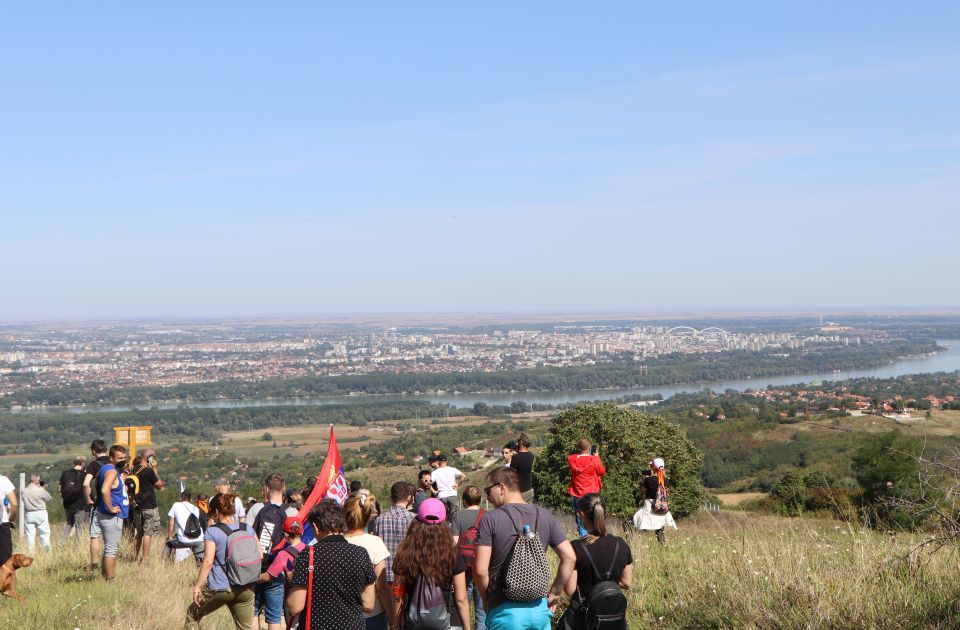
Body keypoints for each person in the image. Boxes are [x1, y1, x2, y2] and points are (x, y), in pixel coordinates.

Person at [474, 466, 576, 630]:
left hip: (505, 613)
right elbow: (570, 557)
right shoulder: (545, 515)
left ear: (501, 487)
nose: (487, 496)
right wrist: (555, 593)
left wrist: (487, 600)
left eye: (488, 490)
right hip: (540, 610)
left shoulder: (490, 518)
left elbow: (480, 570)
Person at [286, 500, 376, 630]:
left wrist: (292, 583)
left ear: (316, 527)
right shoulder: (361, 553)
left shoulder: (308, 555)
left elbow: (295, 607)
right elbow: (369, 604)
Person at [392, 498, 471, 630]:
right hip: (449, 621)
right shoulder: (451, 553)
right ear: (444, 523)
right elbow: (461, 598)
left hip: (413, 621)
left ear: (417, 522)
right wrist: (468, 627)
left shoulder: (405, 553)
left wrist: (396, 625)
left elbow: (398, 594)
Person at [185, 492, 260, 630]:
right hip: (246, 587)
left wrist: (198, 586)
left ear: (217, 512)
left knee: (192, 615)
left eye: (212, 513)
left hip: (222, 587)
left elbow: (208, 561)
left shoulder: (212, 532)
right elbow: (259, 555)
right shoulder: (248, 528)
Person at [558, 493, 632, 630]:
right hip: (613, 617)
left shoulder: (575, 547)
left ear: (582, 515)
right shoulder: (621, 544)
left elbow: (570, 589)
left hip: (583, 617)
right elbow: (627, 582)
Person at [250, 474, 298, 630]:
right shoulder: (292, 512)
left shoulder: (257, 508)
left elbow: (248, 535)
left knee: (253, 613)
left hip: (255, 568)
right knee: (275, 616)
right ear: (283, 489)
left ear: (266, 489)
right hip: (278, 569)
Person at [344, 491, 392, 630]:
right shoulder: (375, 542)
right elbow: (381, 587)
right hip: (373, 615)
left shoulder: (337, 543)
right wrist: (393, 616)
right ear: (367, 517)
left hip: (344, 615)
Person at [257, 516, 306, 629]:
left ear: (285, 535)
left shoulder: (284, 554)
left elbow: (268, 576)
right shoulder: (310, 550)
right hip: (310, 597)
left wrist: (251, 578)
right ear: (302, 532)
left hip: (293, 596)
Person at [371, 482, 416, 599]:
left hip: (386, 576)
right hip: (408, 575)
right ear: (410, 498)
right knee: (403, 609)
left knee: (390, 610)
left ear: (391, 499)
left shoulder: (380, 520)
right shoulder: (414, 520)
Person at [451, 485, 486, 630]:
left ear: (464, 500)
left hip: (462, 565)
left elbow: (454, 542)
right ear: (481, 500)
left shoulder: (458, 515)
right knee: (481, 606)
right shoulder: (487, 515)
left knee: (463, 599)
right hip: (482, 564)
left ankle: (465, 626)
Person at [96, 444, 130, 580]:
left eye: (124, 457)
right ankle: (110, 579)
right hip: (111, 516)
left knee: (109, 547)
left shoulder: (105, 469)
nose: (122, 460)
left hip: (105, 514)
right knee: (111, 548)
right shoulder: (112, 472)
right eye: (119, 458)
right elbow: (105, 490)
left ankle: (105, 576)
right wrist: (111, 508)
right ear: (111, 458)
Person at [567, 439, 606, 538]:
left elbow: (572, 457)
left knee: (581, 520)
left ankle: (584, 542)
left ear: (579, 448)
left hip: (578, 493)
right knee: (595, 517)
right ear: (589, 448)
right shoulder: (594, 460)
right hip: (592, 494)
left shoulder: (572, 459)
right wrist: (597, 457)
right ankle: (597, 539)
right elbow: (602, 472)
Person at [130, 449, 164, 561]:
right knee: (147, 534)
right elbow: (159, 485)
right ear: (150, 458)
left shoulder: (133, 470)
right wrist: (154, 468)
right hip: (149, 506)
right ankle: (145, 559)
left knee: (138, 533)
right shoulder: (148, 471)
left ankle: (134, 557)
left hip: (136, 506)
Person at [633, 458, 677, 544]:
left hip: (649, 510)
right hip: (662, 511)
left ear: (653, 467)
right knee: (659, 527)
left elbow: (643, 492)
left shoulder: (648, 480)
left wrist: (644, 479)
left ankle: (631, 543)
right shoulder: (666, 481)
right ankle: (662, 544)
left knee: (633, 521)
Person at [83, 439, 110, 569]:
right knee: (110, 538)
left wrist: (88, 499)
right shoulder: (112, 463)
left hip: (98, 504)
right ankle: (109, 565)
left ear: (93, 451)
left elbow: (85, 483)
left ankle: (94, 565)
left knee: (95, 536)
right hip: (113, 504)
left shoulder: (93, 465)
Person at [167, 489, 205, 563]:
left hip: (183, 541)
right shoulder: (196, 508)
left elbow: (171, 523)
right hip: (199, 540)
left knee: (168, 544)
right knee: (200, 562)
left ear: (180, 498)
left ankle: (166, 564)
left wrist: (170, 537)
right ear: (190, 499)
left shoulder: (176, 505)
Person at [59, 455, 88, 541]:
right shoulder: (84, 475)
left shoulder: (65, 473)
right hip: (79, 505)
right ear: (82, 463)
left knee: (69, 523)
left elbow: (60, 489)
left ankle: (61, 543)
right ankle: (78, 546)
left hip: (67, 504)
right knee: (79, 526)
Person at [21, 474, 52, 552]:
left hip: (29, 514)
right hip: (40, 512)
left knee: (30, 535)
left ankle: (31, 553)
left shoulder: (24, 491)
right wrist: (43, 489)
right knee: (44, 534)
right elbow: (49, 498)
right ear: (37, 481)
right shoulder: (40, 490)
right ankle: (47, 552)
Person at [432, 454, 466, 519]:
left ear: (438, 461)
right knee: (454, 517)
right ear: (446, 461)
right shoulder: (452, 469)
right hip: (452, 494)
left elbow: (429, 483)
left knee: (442, 516)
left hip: (441, 496)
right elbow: (463, 476)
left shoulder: (435, 472)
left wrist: (434, 491)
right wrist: (458, 484)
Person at [509, 434, 535, 503]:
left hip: (519, 492)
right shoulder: (532, 456)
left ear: (521, 442)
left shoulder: (515, 457)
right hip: (529, 490)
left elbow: (510, 474)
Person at [0, 470, 16, 566]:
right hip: (3, 522)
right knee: (6, 560)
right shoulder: (3, 480)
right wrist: (11, 520)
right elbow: (14, 504)